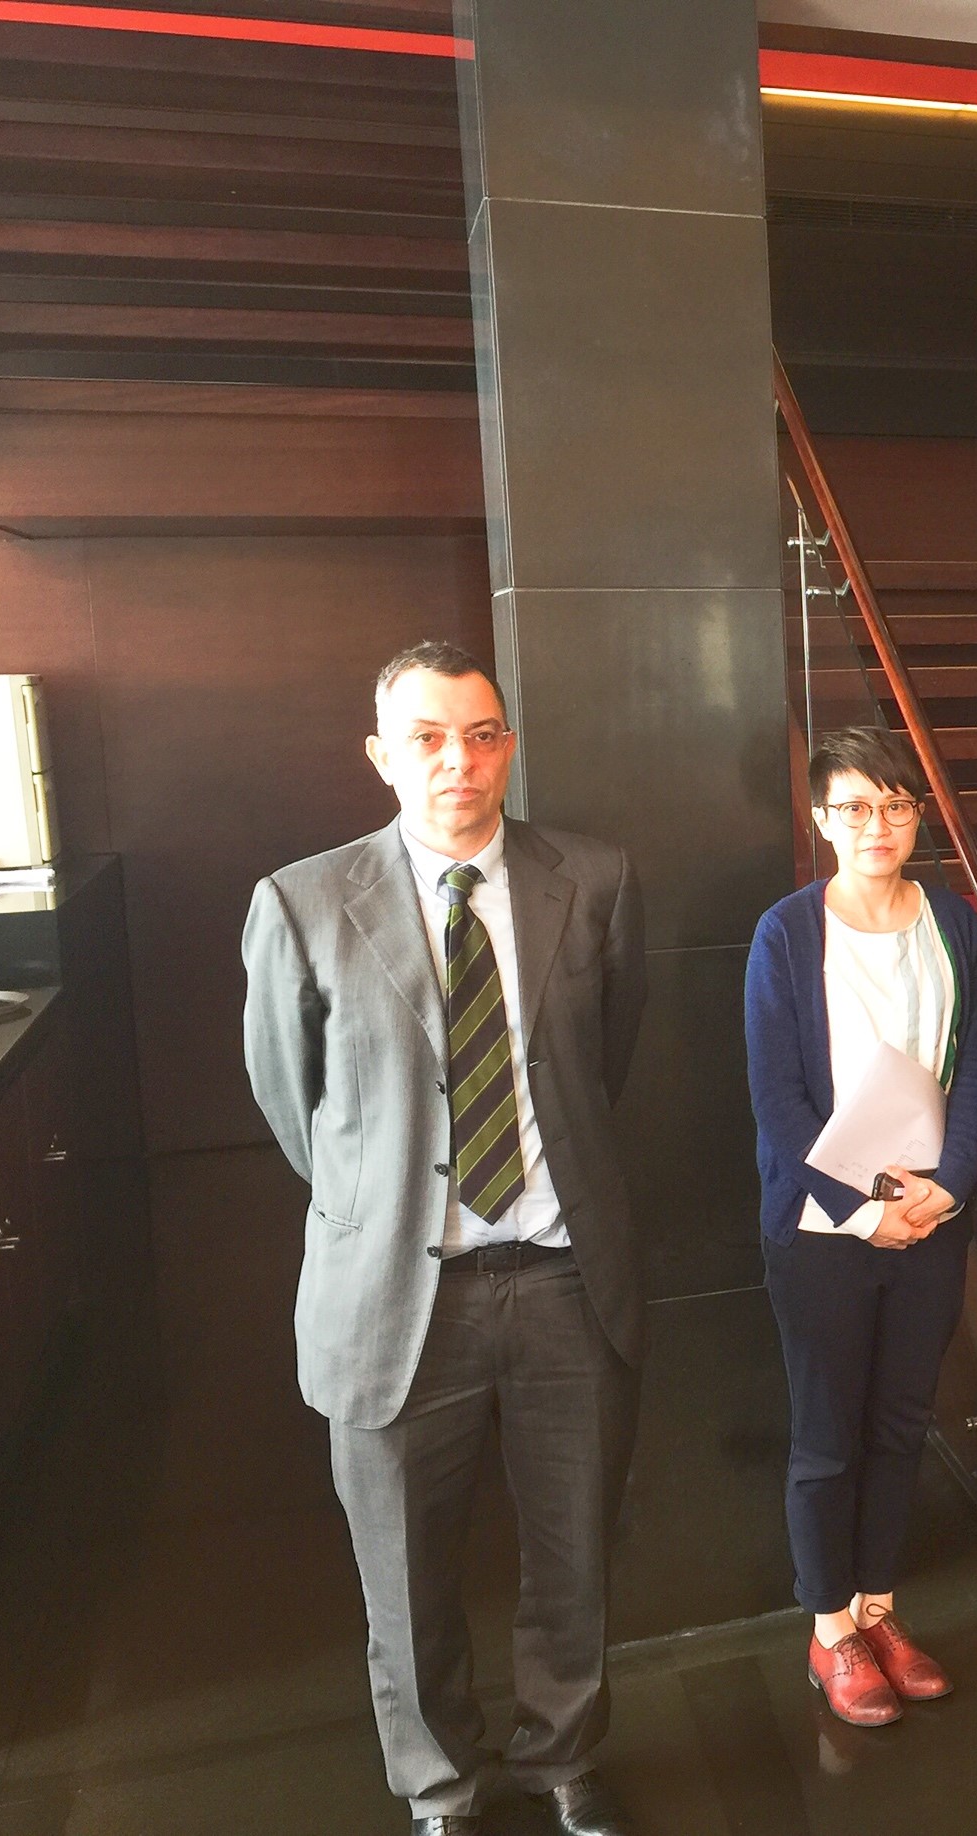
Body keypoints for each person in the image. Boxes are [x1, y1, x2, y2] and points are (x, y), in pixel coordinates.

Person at [241, 641, 646, 1836]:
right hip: (395, 1295)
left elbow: (604, 1061)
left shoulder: (595, 878)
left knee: (574, 1553)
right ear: (382, 754)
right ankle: (441, 1786)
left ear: (508, 744)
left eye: (480, 734)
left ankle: (563, 1757)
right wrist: (389, 1204)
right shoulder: (303, 902)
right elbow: (291, 1102)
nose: (456, 760)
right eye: (426, 737)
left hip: (566, 1278)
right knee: (405, 1576)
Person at [743, 725, 977, 1728]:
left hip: (930, 1219)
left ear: (916, 815)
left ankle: (879, 1610)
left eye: (894, 805)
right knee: (828, 1432)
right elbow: (777, 1099)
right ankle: (830, 1630)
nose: (876, 825)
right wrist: (860, 1209)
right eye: (853, 807)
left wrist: (953, 1184)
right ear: (820, 819)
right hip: (822, 1231)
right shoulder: (787, 934)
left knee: (899, 1422)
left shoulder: (955, 921)